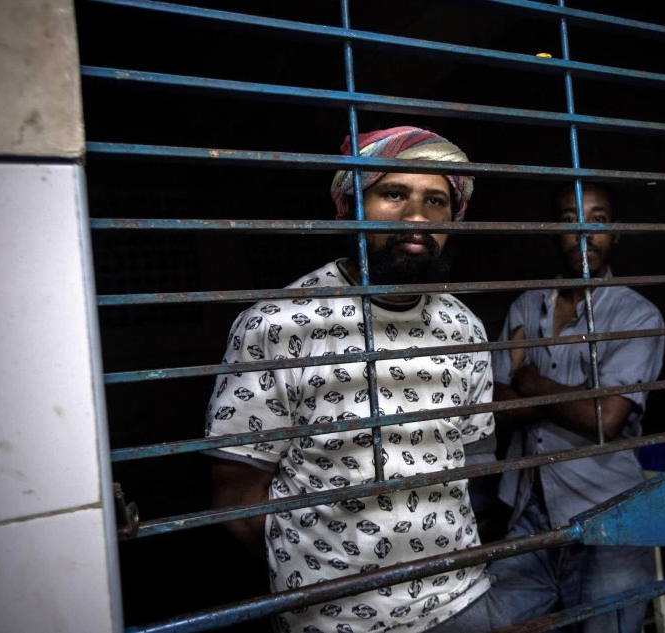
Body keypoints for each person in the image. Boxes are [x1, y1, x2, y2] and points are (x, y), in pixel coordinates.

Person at [205, 126, 507, 633]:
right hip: (334, 619)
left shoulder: (464, 327)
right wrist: (323, 571)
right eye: (394, 194)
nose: (417, 216)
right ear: (351, 204)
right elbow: (238, 496)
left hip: (463, 603)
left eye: (436, 201)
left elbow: (476, 460)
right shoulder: (279, 324)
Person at [487, 183, 665, 633]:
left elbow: (605, 419)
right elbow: (496, 407)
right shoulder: (527, 305)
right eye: (570, 220)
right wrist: (577, 396)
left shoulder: (637, 315)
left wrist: (530, 383)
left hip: (610, 516)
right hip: (528, 512)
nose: (584, 232)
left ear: (615, 232)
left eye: (598, 219)